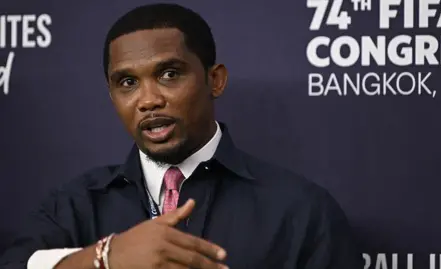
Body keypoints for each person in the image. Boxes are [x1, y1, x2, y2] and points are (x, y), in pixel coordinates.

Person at [0, 3, 363, 269]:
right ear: (112, 96)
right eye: (127, 82)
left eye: (169, 74)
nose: (148, 100)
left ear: (215, 80)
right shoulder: (74, 206)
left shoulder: (301, 212)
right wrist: (107, 258)